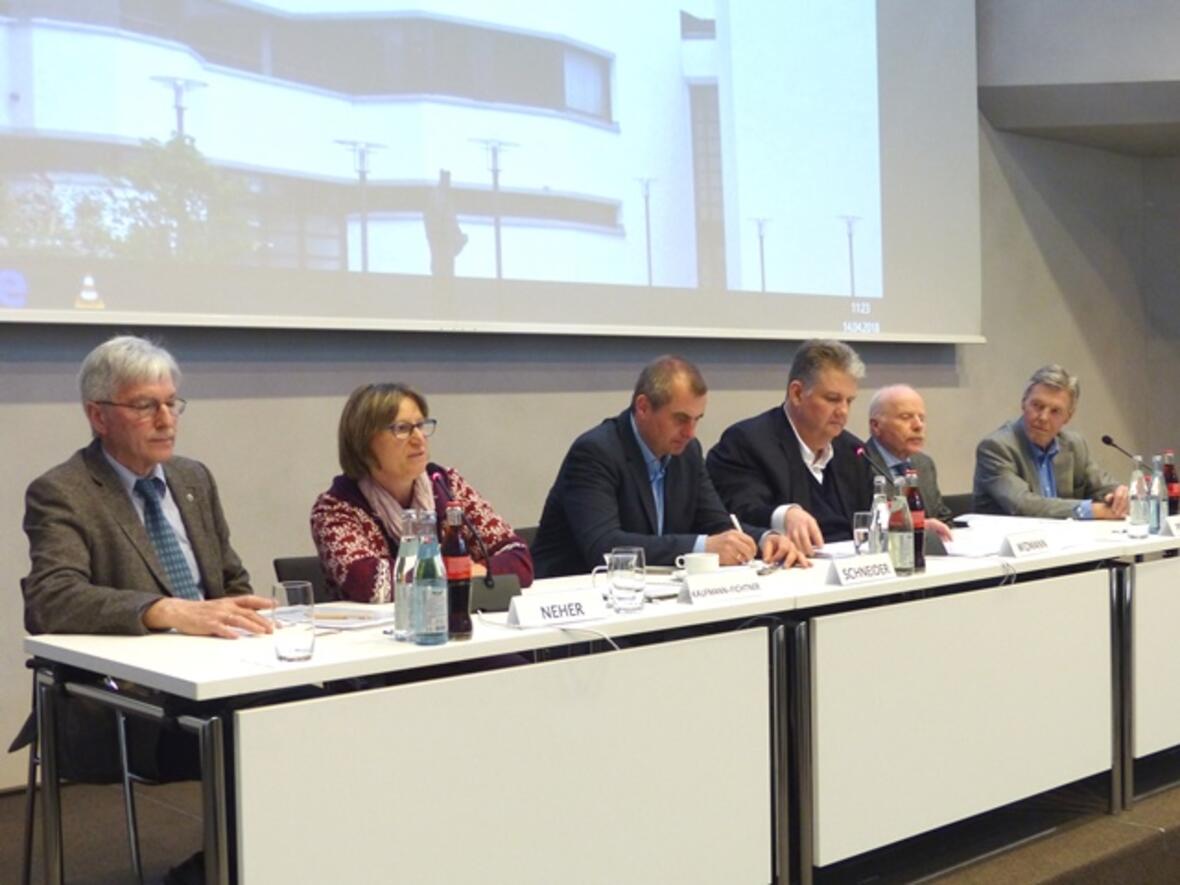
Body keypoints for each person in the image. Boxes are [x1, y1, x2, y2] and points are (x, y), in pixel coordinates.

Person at [20, 335, 272, 884]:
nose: (166, 419)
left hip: (221, 674)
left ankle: (276, 858)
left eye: (171, 403)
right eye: (145, 406)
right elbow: (50, 598)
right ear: (99, 416)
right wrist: (166, 610)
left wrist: (241, 611)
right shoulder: (63, 492)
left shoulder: (192, 479)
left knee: (312, 707)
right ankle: (221, 869)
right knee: (258, 727)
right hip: (125, 702)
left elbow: (230, 579)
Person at [531, 355, 804, 578]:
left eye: (697, 419)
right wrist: (702, 547)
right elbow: (604, 546)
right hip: (577, 605)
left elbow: (717, 524)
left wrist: (763, 540)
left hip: (653, 597)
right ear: (643, 407)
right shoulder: (596, 451)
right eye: (681, 419)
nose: (690, 432)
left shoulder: (687, 453)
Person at [310, 383, 533, 602]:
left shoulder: (447, 485)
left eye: (420, 425)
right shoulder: (335, 509)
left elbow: (519, 559)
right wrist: (458, 570)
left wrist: (474, 570)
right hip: (374, 635)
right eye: (402, 429)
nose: (418, 438)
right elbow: (370, 583)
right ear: (364, 441)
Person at [707, 339, 873, 555]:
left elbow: (870, 518)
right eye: (832, 399)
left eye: (849, 401)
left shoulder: (853, 452)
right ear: (797, 393)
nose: (843, 411)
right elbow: (739, 515)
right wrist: (784, 515)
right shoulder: (747, 442)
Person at [973, 364, 1128, 519]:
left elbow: (1102, 487)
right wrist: (1091, 510)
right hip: (1006, 540)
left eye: (1055, 411)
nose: (1043, 417)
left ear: (1068, 416)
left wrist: (1118, 496)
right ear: (1023, 403)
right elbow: (1023, 505)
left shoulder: (1074, 445)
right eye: (1037, 406)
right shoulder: (995, 448)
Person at [865, 384, 954, 541]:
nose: (918, 426)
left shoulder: (924, 464)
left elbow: (942, 518)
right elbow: (863, 524)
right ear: (876, 426)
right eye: (906, 417)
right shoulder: (859, 464)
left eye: (922, 418)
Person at [424, 168, 467, 279]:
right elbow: (433, 221)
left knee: (447, 270)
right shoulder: (435, 197)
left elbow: (452, 221)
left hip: (447, 245)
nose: (448, 183)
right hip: (440, 243)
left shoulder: (447, 199)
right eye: (446, 180)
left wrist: (459, 236)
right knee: (441, 269)